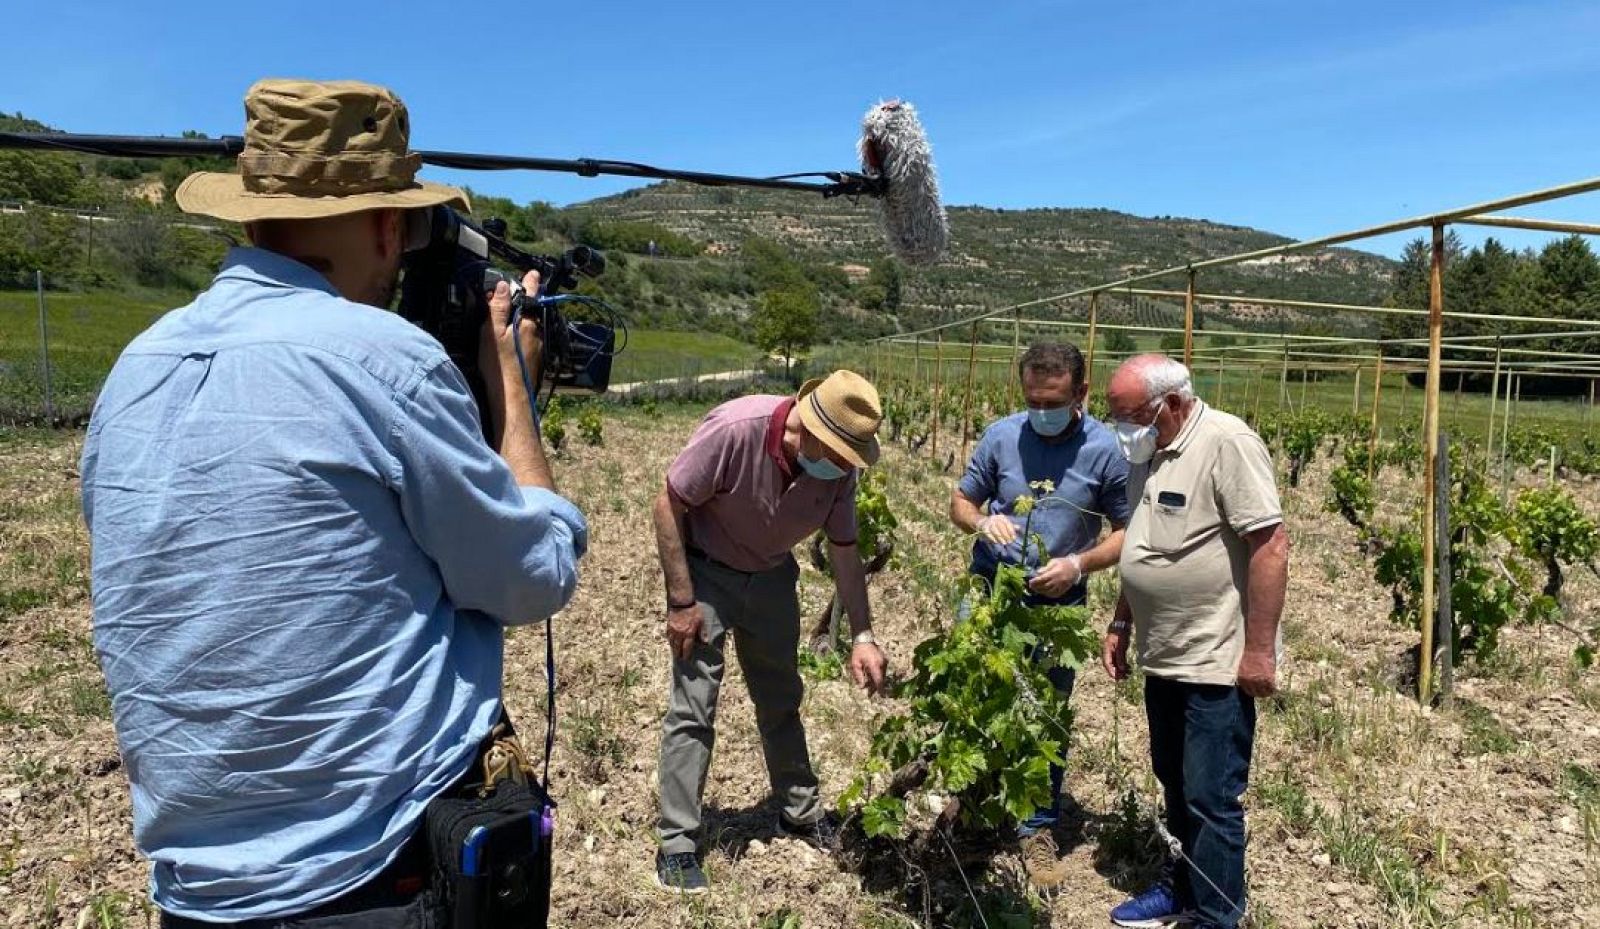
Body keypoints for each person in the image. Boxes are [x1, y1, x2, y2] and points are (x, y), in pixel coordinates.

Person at [80, 79, 588, 926]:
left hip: (192, 889)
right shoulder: (384, 358)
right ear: (391, 223)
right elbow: (531, 579)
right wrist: (512, 386)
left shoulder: (134, 369)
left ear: (250, 216)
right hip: (364, 875)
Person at [652, 370, 889, 893]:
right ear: (809, 430)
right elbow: (667, 503)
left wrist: (864, 635)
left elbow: (845, 552)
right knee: (694, 708)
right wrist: (682, 599)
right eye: (838, 454)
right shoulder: (736, 429)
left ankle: (800, 813)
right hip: (707, 573)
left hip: (773, 577)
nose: (843, 468)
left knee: (782, 698)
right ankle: (677, 842)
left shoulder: (838, 468)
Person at [1100, 354, 1289, 929]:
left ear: (1173, 404)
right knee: (1175, 782)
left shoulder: (1227, 442)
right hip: (1165, 653)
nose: (1124, 429)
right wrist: (1122, 621)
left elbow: (1270, 546)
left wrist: (1258, 650)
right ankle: (1181, 887)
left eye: (1133, 416)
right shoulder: (1149, 450)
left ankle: (1216, 915)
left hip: (1215, 657)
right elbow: (1144, 544)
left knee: (1211, 796)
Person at [949, 342, 1130, 858]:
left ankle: (1037, 825)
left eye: (1054, 402)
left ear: (1082, 393)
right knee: (974, 695)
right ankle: (974, 806)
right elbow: (961, 502)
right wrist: (983, 522)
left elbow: (1126, 530)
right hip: (990, 590)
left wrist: (1078, 564)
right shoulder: (1002, 435)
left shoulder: (1106, 450)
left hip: (1059, 604)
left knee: (1045, 710)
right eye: (1034, 401)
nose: (1043, 412)